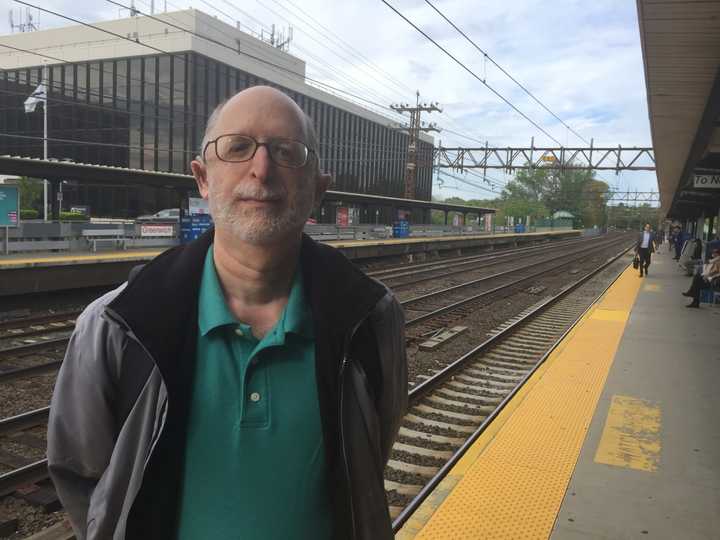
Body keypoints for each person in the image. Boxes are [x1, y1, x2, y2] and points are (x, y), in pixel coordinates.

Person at [47, 86, 408, 540]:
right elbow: (83, 478)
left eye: (286, 152)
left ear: (318, 187)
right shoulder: (115, 324)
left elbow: (370, 452)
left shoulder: (372, 319)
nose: (261, 169)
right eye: (238, 148)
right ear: (202, 178)